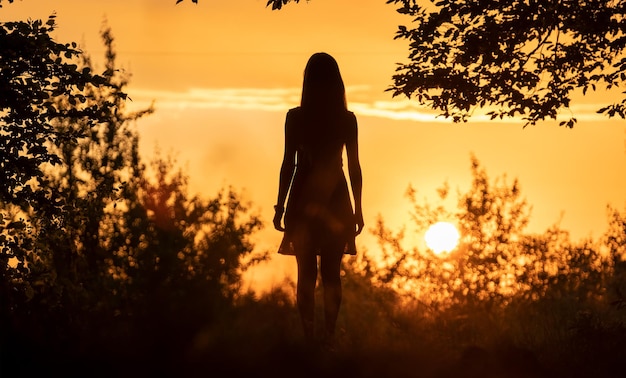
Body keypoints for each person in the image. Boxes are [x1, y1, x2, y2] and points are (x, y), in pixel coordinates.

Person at [273, 52, 364, 342]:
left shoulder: (296, 118)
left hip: (301, 197)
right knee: (331, 275)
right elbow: (353, 168)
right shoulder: (346, 120)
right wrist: (358, 209)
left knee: (306, 274)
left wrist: (281, 205)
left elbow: (289, 163)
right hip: (337, 198)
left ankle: (309, 336)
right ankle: (328, 338)